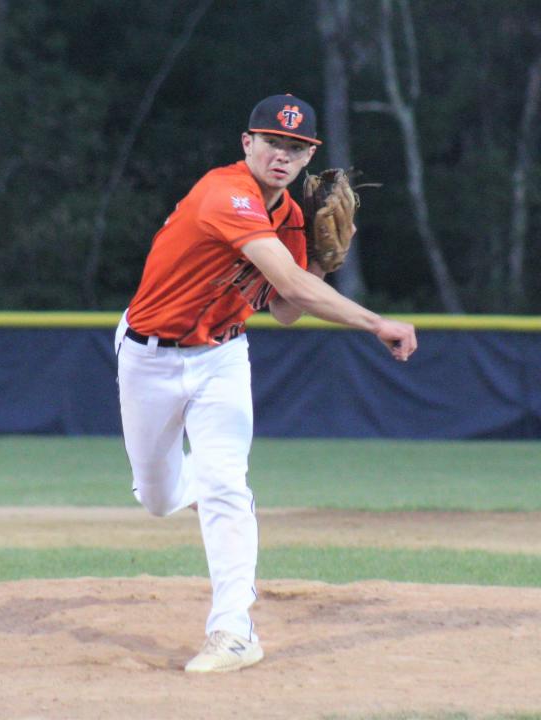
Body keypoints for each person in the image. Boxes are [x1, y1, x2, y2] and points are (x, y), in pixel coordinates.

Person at [114, 93, 417, 673]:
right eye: (272, 142)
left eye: (296, 147)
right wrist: (375, 322)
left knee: (228, 485)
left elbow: (282, 308)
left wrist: (322, 261)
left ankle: (233, 630)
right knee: (156, 500)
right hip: (148, 357)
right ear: (247, 142)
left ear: (308, 158)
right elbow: (296, 293)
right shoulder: (224, 194)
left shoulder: (292, 217)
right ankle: (200, 483)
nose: (283, 154)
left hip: (222, 358)